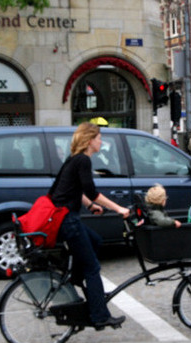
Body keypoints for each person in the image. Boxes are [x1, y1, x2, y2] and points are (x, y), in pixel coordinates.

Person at [50, 122, 131, 330]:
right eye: (98, 138)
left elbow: (74, 190)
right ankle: (99, 316)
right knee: (93, 268)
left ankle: (77, 278)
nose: (101, 142)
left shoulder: (73, 159)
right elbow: (92, 191)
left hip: (65, 217)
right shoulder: (83, 160)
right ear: (89, 141)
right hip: (69, 220)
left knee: (96, 240)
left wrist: (90, 206)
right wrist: (118, 209)